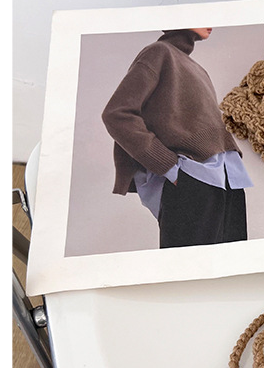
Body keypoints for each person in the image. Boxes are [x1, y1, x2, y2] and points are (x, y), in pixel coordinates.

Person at [102, 27, 252, 249]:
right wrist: (169, 166)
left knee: (234, 266)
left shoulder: (199, 69)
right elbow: (117, 114)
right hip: (194, 180)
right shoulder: (158, 52)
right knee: (189, 268)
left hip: (229, 181)